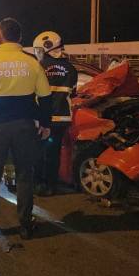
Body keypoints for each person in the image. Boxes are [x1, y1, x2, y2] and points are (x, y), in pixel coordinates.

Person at [0, 18, 52, 240]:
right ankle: (26, 224)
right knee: (25, 175)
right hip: (25, 127)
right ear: (20, 38)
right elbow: (46, 98)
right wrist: (45, 124)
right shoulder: (32, 63)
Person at [32, 31, 78, 196]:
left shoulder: (39, 67)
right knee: (53, 153)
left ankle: (37, 184)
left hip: (43, 119)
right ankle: (51, 185)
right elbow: (72, 94)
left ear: (47, 48)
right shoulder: (71, 69)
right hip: (62, 119)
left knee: (38, 152)